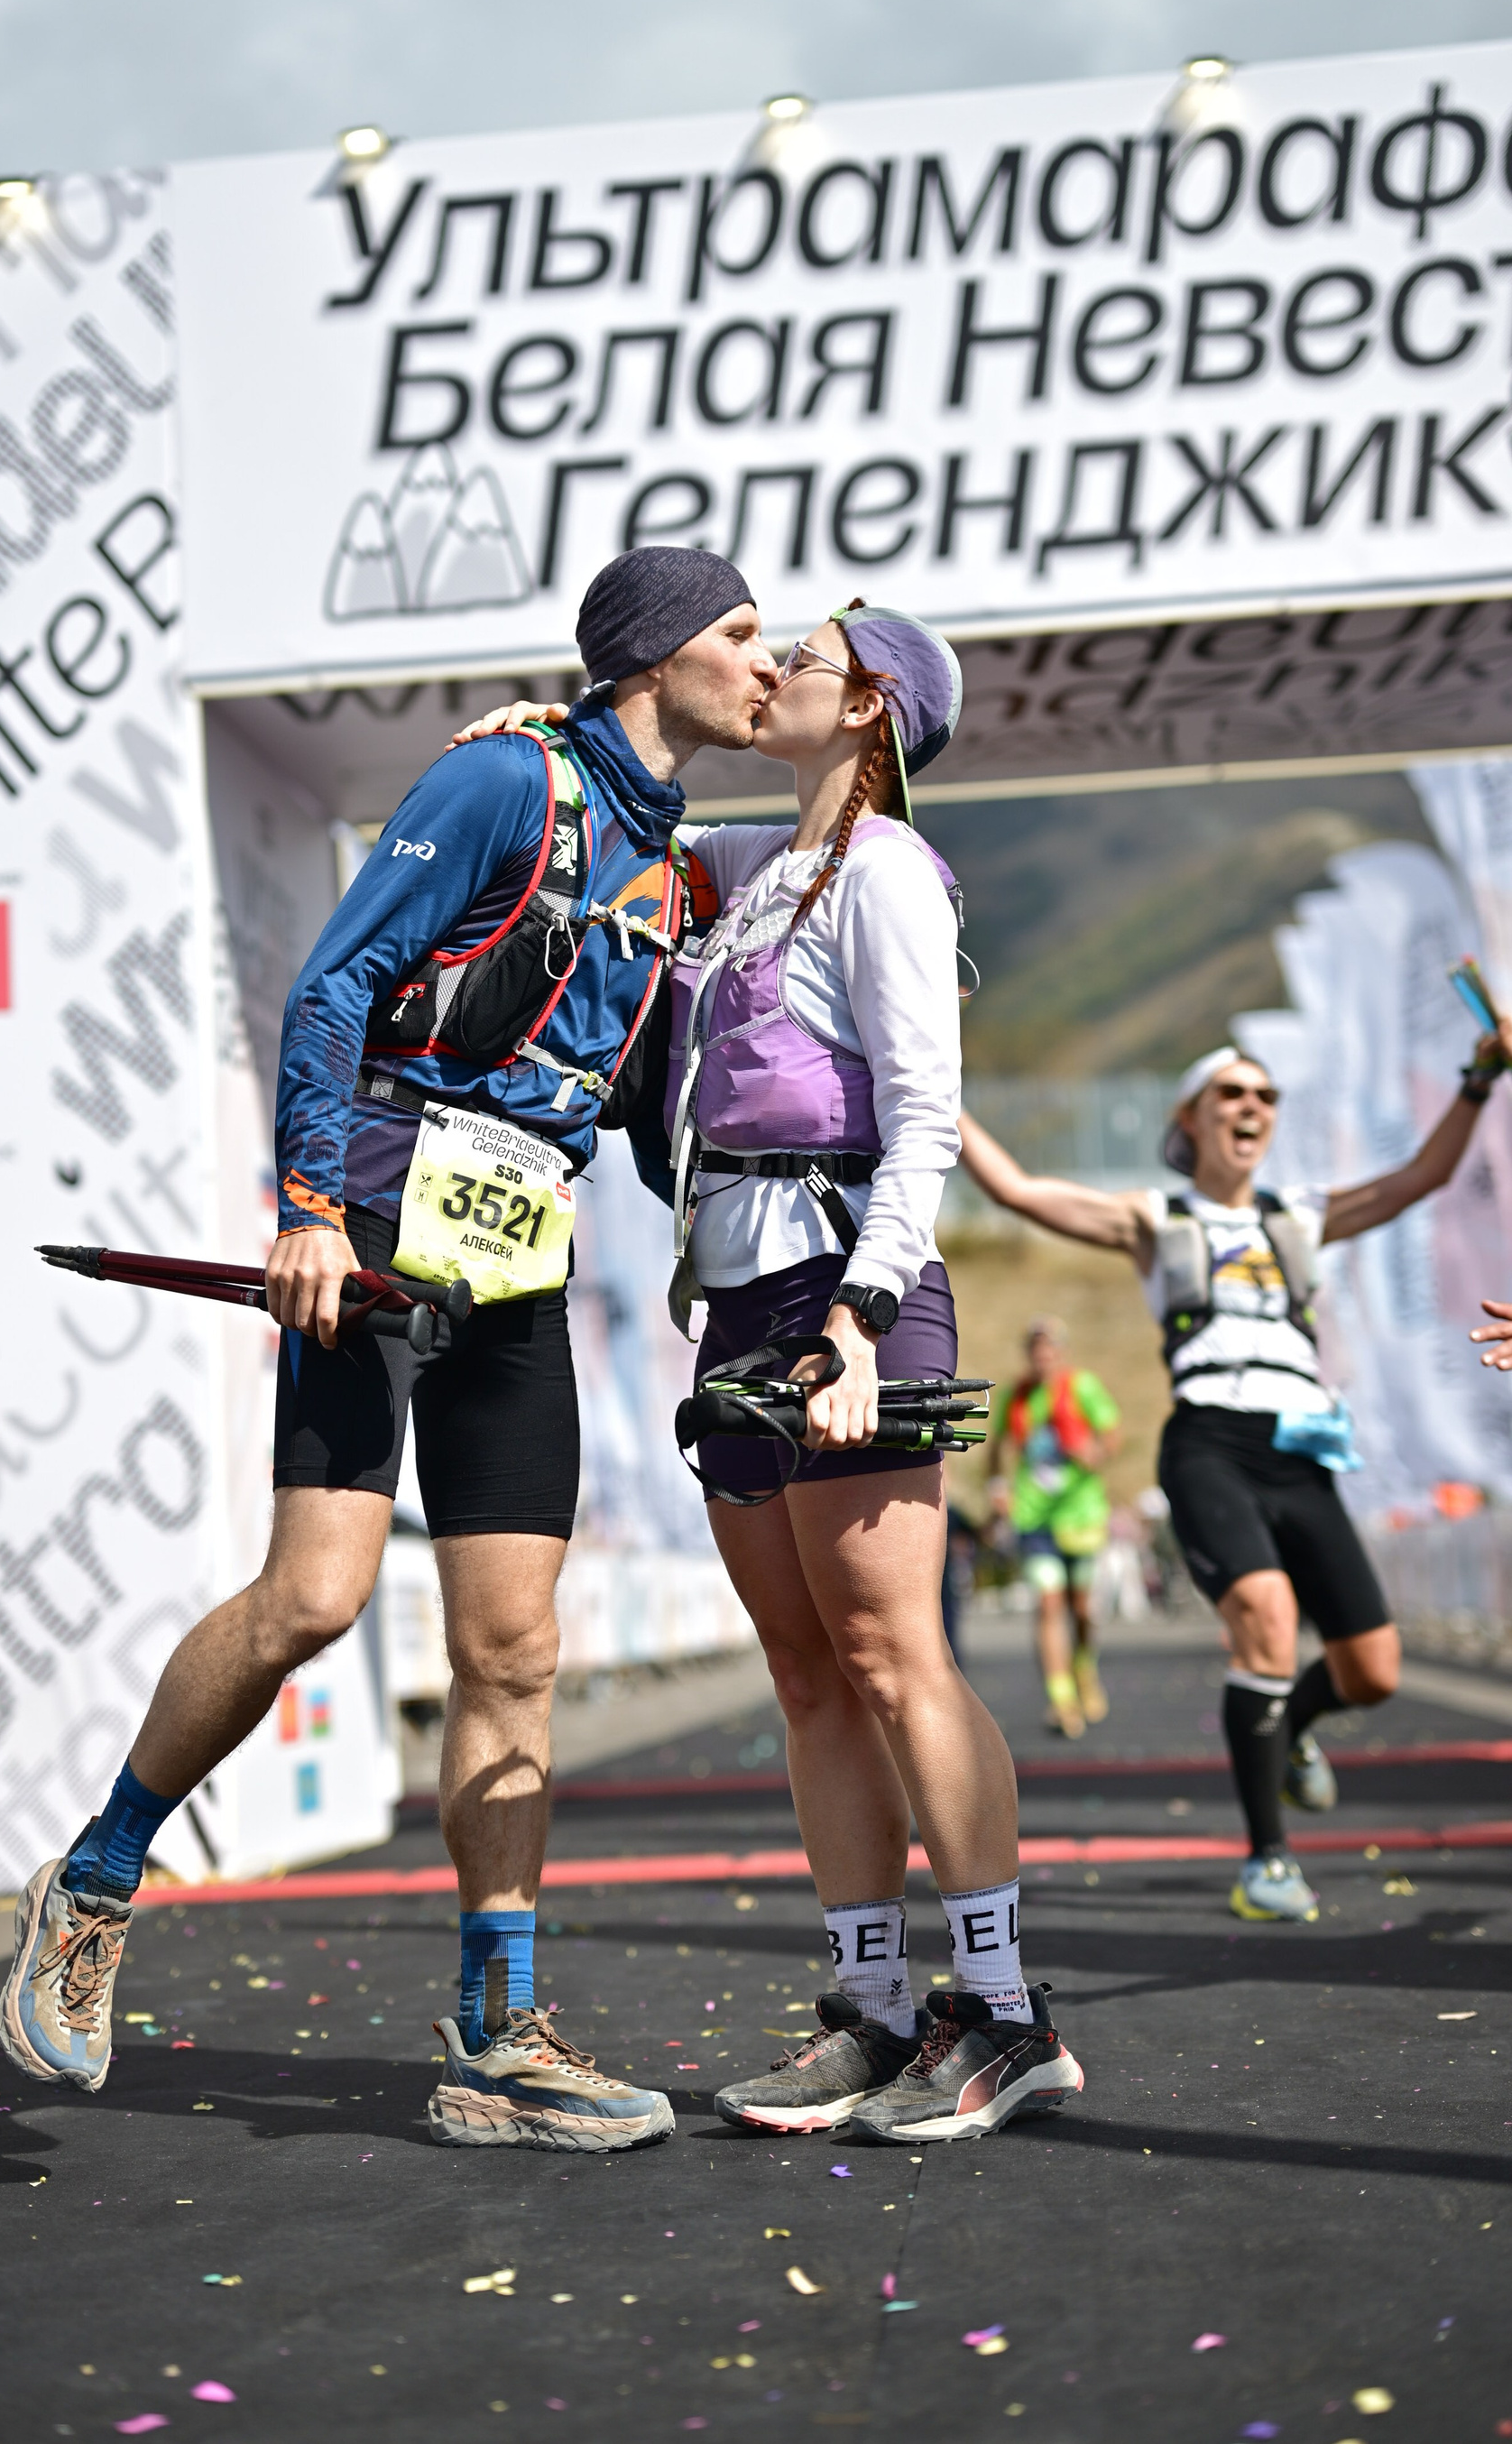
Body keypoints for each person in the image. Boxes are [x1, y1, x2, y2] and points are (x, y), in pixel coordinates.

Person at [0, 548, 780, 2153]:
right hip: (370, 1231)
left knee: (516, 1650)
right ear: (653, 656)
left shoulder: (676, 857)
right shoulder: (507, 780)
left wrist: (730, 1261)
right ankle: (93, 1878)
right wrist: (304, 1205)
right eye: (741, 634)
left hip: (521, 1263)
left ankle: (500, 2033)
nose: (767, 664)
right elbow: (338, 980)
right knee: (313, 1598)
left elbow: (636, 1098)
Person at [458, 604, 1083, 2144]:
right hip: (735, 1305)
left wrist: (859, 1319)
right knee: (804, 1669)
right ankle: (873, 2012)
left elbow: (924, 1120)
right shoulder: (756, 865)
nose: (774, 667)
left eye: (806, 654)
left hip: (843, 1292)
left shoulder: (886, 872)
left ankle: (1004, 2013)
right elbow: (610, 827)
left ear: (871, 706)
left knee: (891, 1651)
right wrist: (532, 748)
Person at [960, 1034, 1512, 1923]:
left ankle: (1290, 1730)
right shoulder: (1156, 1217)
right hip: (1208, 1440)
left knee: (1372, 1671)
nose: (1253, 1105)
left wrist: (1479, 1078)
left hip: (1299, 1449)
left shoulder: (1300, 1211)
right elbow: (1018, 1190)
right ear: (1190, 1118)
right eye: (1231, 1093)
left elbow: (1421, 1176)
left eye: (1266, 1094)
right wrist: (927, 1086)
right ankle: (1267, 1859)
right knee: (1266, 1615)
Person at [986, 1317, 1121, 1738]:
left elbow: (1112, 1437)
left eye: (1049, 1349)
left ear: (1061, 1352)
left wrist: (1093, 1453)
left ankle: (1084, 1666)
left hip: (1081, 1517)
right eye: (1035, 1349)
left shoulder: (1082, 1387)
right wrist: (997, 1489)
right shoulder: (1017, 1396)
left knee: (1081, 1608)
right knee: (1047, 1604)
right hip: (1034, 1518)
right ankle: (1060, 1700)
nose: (1042, 1356)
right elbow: (997, 1448)